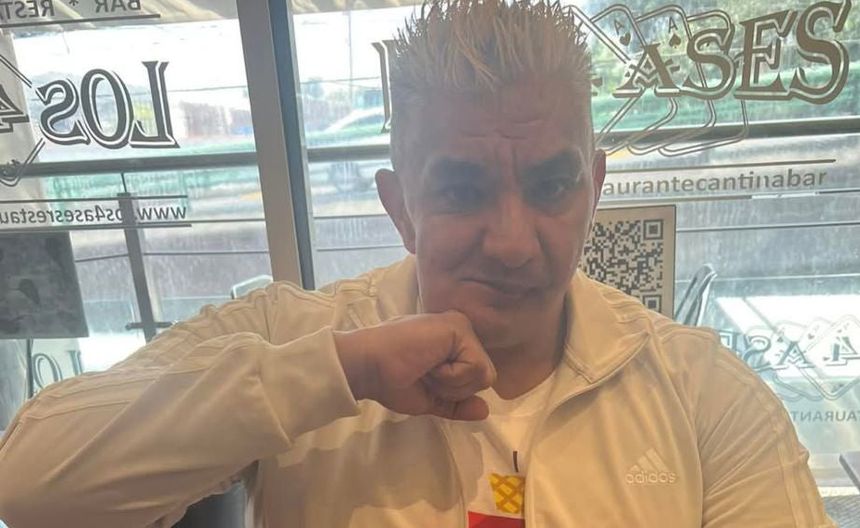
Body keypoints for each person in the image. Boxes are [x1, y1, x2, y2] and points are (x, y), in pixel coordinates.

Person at [0, 1, 833, 527]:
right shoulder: (294, 333)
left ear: (594, 189)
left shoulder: (701, 391)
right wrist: (338, 372)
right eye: (463, 191)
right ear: (399, 207)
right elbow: (29, 484)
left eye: (551, 186)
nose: (514, 242)